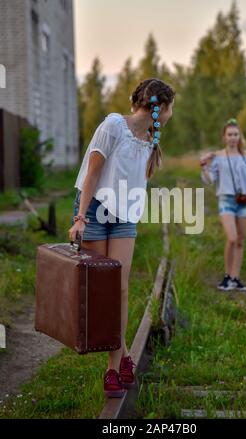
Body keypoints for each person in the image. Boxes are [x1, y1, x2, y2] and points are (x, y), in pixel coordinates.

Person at [68, 78, 175, 397]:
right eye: (172, 108)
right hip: (95, 209)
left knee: (121, 285)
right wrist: (80, 217)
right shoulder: (113, 125)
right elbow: (93, 172)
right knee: (103, 288)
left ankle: (113, 367)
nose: (172, 114)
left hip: (124, 215)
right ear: (162, 106)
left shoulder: (150, 137)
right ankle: (125, 356)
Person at [200, 118, 246, 292]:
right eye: (230, 134)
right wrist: (204, 166)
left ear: (240, 136)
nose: (233, 138)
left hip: (244, 201)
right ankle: (227, 275)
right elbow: (209, 180)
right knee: (232, 238)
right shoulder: (218, 157)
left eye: (236, 134)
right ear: (224, 137)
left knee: (241, 241)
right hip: (226, 200)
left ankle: (235, 278)